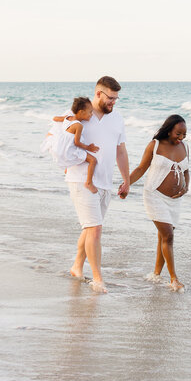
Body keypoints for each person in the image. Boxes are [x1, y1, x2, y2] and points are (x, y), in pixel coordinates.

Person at [62, 76, 130, 293]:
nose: (113, 102)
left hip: (105, 182)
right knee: (95, 229)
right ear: (98, 93)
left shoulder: (117, 118)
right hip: (82, 180)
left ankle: (76, 267)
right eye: (110, 98)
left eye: (116, 99)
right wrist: (66, 163)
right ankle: (98, 279)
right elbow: (58, 140)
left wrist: (127, 179)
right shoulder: (80, 115)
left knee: (90, 228)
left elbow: (121, 150)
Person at [129, 115, 189, 292]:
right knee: (168, 236)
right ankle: (174, 279)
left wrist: (186, 187)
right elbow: (141, 168)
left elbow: (186, 171)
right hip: (154, 195)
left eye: (184, 134)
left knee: (163, 236)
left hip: (175, 201)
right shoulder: (154, 145)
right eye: (178, 133)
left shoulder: (185, 147)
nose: (181, 138)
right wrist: (126, 184)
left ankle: (156, 274)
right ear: (169, 129)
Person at [47, 97, 100, 194]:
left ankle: (67, 168)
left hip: (61, 146)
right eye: (90, 112)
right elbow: (77, 143)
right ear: (81, 112)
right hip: (70, 148)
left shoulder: (67, 118)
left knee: (71, 158)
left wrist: (57, 119)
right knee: (93, 160)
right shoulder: (78, 125)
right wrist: (88, 147)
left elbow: (55, 118)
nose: (91, 115)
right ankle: (88, 182)